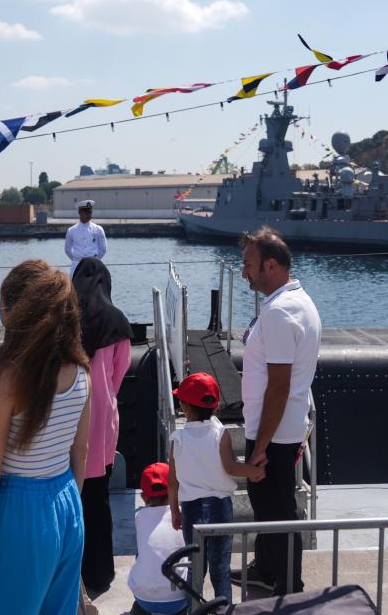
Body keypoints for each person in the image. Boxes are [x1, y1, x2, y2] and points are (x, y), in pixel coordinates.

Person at [0, 259, 92, 614]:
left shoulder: (8, 378)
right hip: (67, 504)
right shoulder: (82, 372)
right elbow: (81, 453)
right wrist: (65, 507)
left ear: (19, 313)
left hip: (20, 512)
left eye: (1, 312)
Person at [233, 226, 320, 595]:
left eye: (248, 264)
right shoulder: (295, 301)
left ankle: (287, 587)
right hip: (284, 428)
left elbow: (279, 385)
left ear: (270, 265)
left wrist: (260, 446)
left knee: (276, 511)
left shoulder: (280, 313)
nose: (244, 273)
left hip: (275, 434)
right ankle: (267, 570)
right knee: (270, 506)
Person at [168, 372, 264, 603]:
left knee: (195, 568)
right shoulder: (220, 434)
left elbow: (172, 481)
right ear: (215, 405)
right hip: (219, 508)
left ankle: (193, 608)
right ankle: (224, 609)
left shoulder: (178, 439)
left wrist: (174, 511)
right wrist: (254, 471)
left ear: (185, 408)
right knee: (220, 569)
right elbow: (231, 467)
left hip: (191, 510)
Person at [71, 256, 134, 598]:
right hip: (103, 419)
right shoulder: (117, 321)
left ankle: (73, 569)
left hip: (71, 416)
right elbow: (119, 374)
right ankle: (100, 571)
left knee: (74, 497)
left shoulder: (66, 319)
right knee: (99, 498)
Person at [128, 463, 190, 615]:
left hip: (143, 598)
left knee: (142, 553)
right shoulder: (183, 516)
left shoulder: (139, 517)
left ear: (143, 496)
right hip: (177, 598)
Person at [65, 200, 106, 277]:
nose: (89, 214)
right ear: (79, 212)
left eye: (90, 212)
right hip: (77, 265)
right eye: (86, 212)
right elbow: (67, 250)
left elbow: (103, 250)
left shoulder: (98, 229)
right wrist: (76, 259)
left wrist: (95, 261)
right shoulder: (71, 230)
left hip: (93, 265)